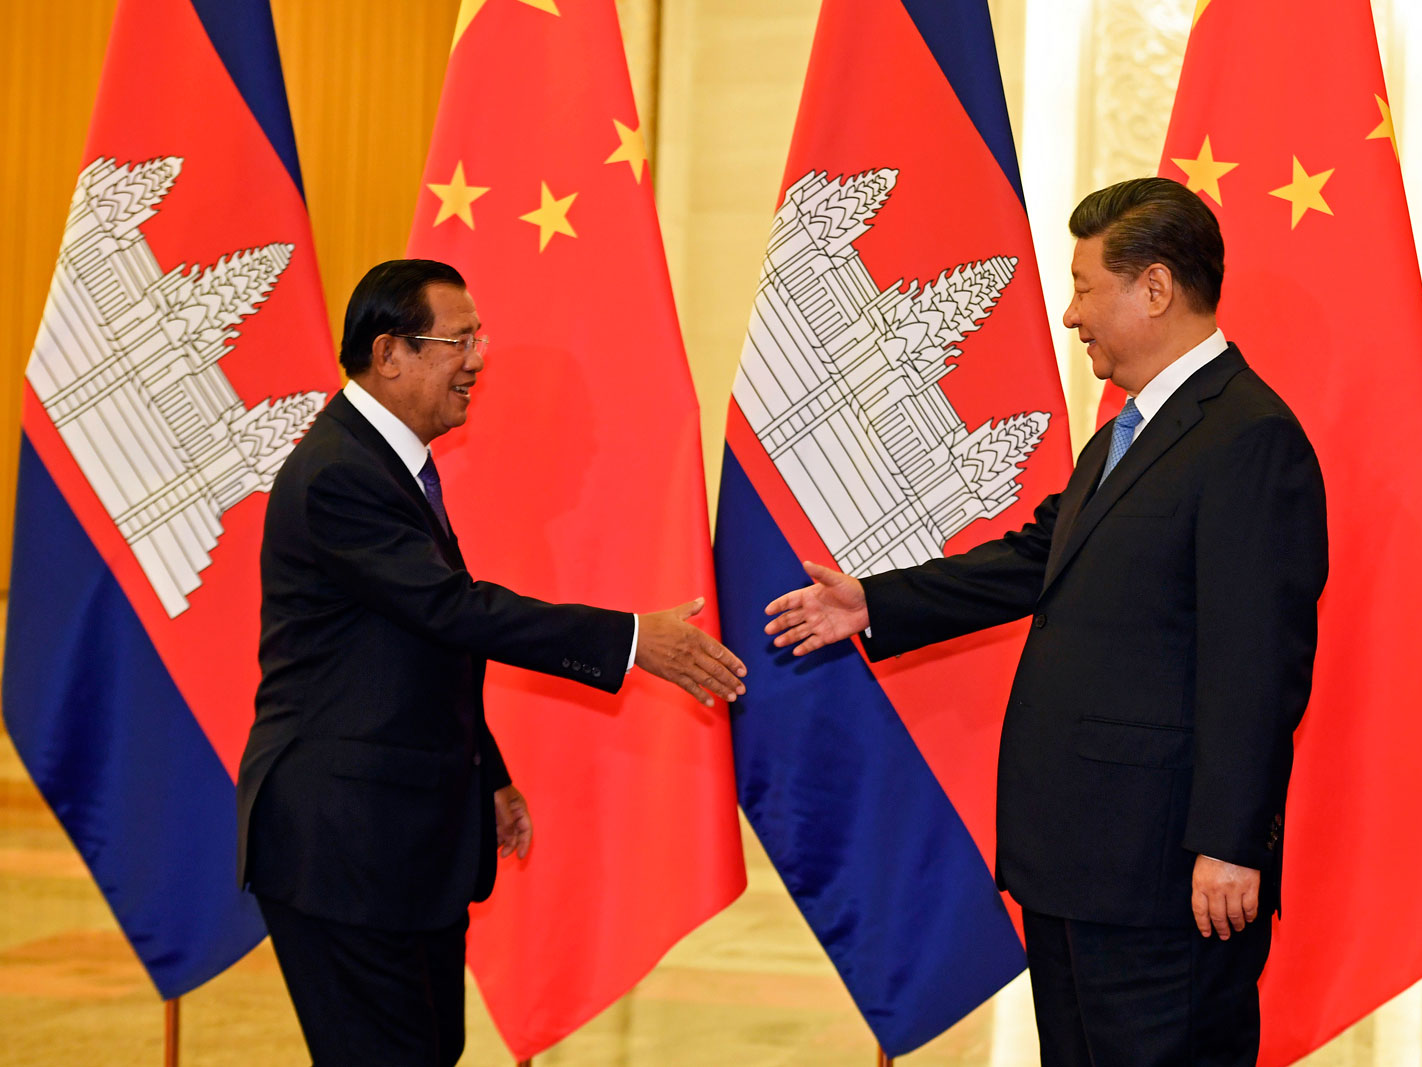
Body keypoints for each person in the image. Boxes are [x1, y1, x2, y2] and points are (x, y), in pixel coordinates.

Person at [764, 177, 1329, 1065]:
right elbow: (1039, 556)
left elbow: (1257, 663)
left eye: (1084, 287)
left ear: (1154, 289)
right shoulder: (1127, 430)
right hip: (1076, 862)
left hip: (1164, 875)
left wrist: (1228, 842)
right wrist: (875, 601)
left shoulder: (1248, 436)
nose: (1071, 315)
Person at [236, 259, 747, 1066]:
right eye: (459, 339)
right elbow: (453, 611)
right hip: (342, 844)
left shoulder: (391, 465)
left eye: (481, 338)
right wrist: (630, 640)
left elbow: (419, 644)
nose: (477, 360)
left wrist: (489, 774)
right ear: (389, 353)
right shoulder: (341, 473)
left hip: (400, 837)